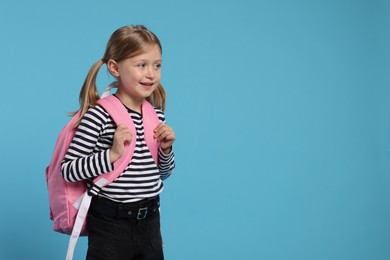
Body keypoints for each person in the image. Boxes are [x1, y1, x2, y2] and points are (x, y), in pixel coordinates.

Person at [61, 25, 176, 260]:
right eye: (141, 65)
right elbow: (69, 170)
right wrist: (111, 155)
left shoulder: (156, 116)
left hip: (150, 220)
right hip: (111, 224)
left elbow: (162, 173)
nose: (151, 74)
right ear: (115, 67)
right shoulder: (99, 115)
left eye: (157, 65)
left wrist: (166, 150)